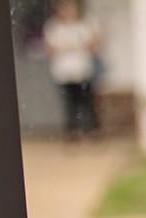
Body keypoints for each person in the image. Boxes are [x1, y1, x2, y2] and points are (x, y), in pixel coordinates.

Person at [43, 0, 101, 141]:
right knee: (69, 104)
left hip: (83, 70)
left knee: (87, 101)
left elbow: (94, 42)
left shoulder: (87, 23)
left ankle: (91, 130)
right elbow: (50, 47)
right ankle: (73, 131)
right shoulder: (53, 26)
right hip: (63, 72)